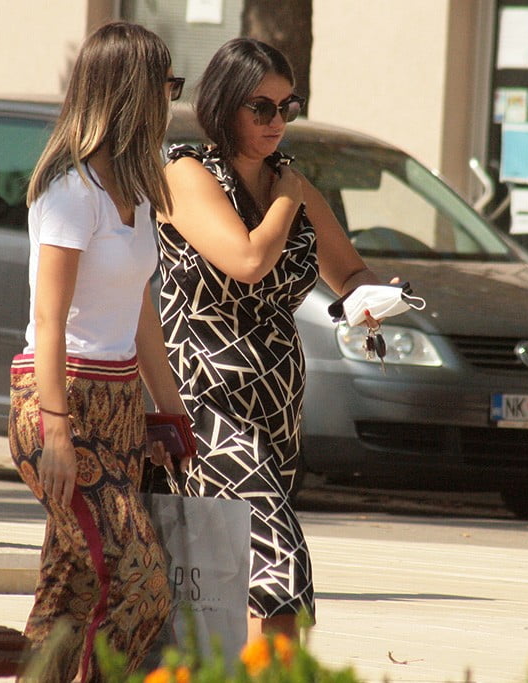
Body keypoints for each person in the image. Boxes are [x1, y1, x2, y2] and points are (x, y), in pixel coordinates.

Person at [156, 38, 389, 641]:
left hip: (275, 407)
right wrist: (288, 198)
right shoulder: (186, 173)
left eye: (288, 106)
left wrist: (370, 298)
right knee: (280, 564)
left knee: (238, 574)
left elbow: (349, 271)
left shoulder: (290, 184)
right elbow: (248, 260)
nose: (277, 121)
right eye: (261, 107)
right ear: (225, 103)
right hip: (205, 401)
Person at [8, 21, 188, 682]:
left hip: (118, 405)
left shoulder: (137, 193)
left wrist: (170, 414)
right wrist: (56, 431)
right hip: (58, 401)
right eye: (167, 84)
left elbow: (141, 316)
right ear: (131, 91)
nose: (171, 98)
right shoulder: (70, 192)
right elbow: (49, 319)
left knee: (70, 591)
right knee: (140, 579)